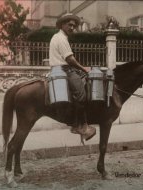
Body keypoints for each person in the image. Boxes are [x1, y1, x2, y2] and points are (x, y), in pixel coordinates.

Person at [49, 13, 96, 141]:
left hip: (61, 69)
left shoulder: (58, 37)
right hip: (64, 70)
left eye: (74, 26)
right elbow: (70, 59)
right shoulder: (61, 38)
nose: (72, 28)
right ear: (62, 24)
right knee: (81, 94)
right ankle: (79, 126)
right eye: (69, 25)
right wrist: (84, 68)